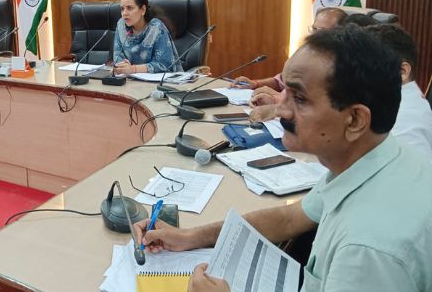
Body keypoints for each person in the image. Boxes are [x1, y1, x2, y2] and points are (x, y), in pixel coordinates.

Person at [134, 25, 432, 292]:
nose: (281, 109)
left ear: (354, 120)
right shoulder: (372, 158)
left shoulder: (366, 249)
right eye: (285, 91)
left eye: (299, 98)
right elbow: (290, 218)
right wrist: (189, 236)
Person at [366, 24, 432, 158]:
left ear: (402, 72)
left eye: (367, 67)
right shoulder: (398, 103)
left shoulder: (403, 120)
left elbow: (412, 170)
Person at [112, 0, 181, 74]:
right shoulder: (121, 26)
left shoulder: (156, 27)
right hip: (129, 79)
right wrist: (121, 68)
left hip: (159, 80)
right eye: (122, 9)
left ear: (143, 10)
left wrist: (133, 69)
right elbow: (118, 57)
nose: (124, 13)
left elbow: (165, 65)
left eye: (129, 8)